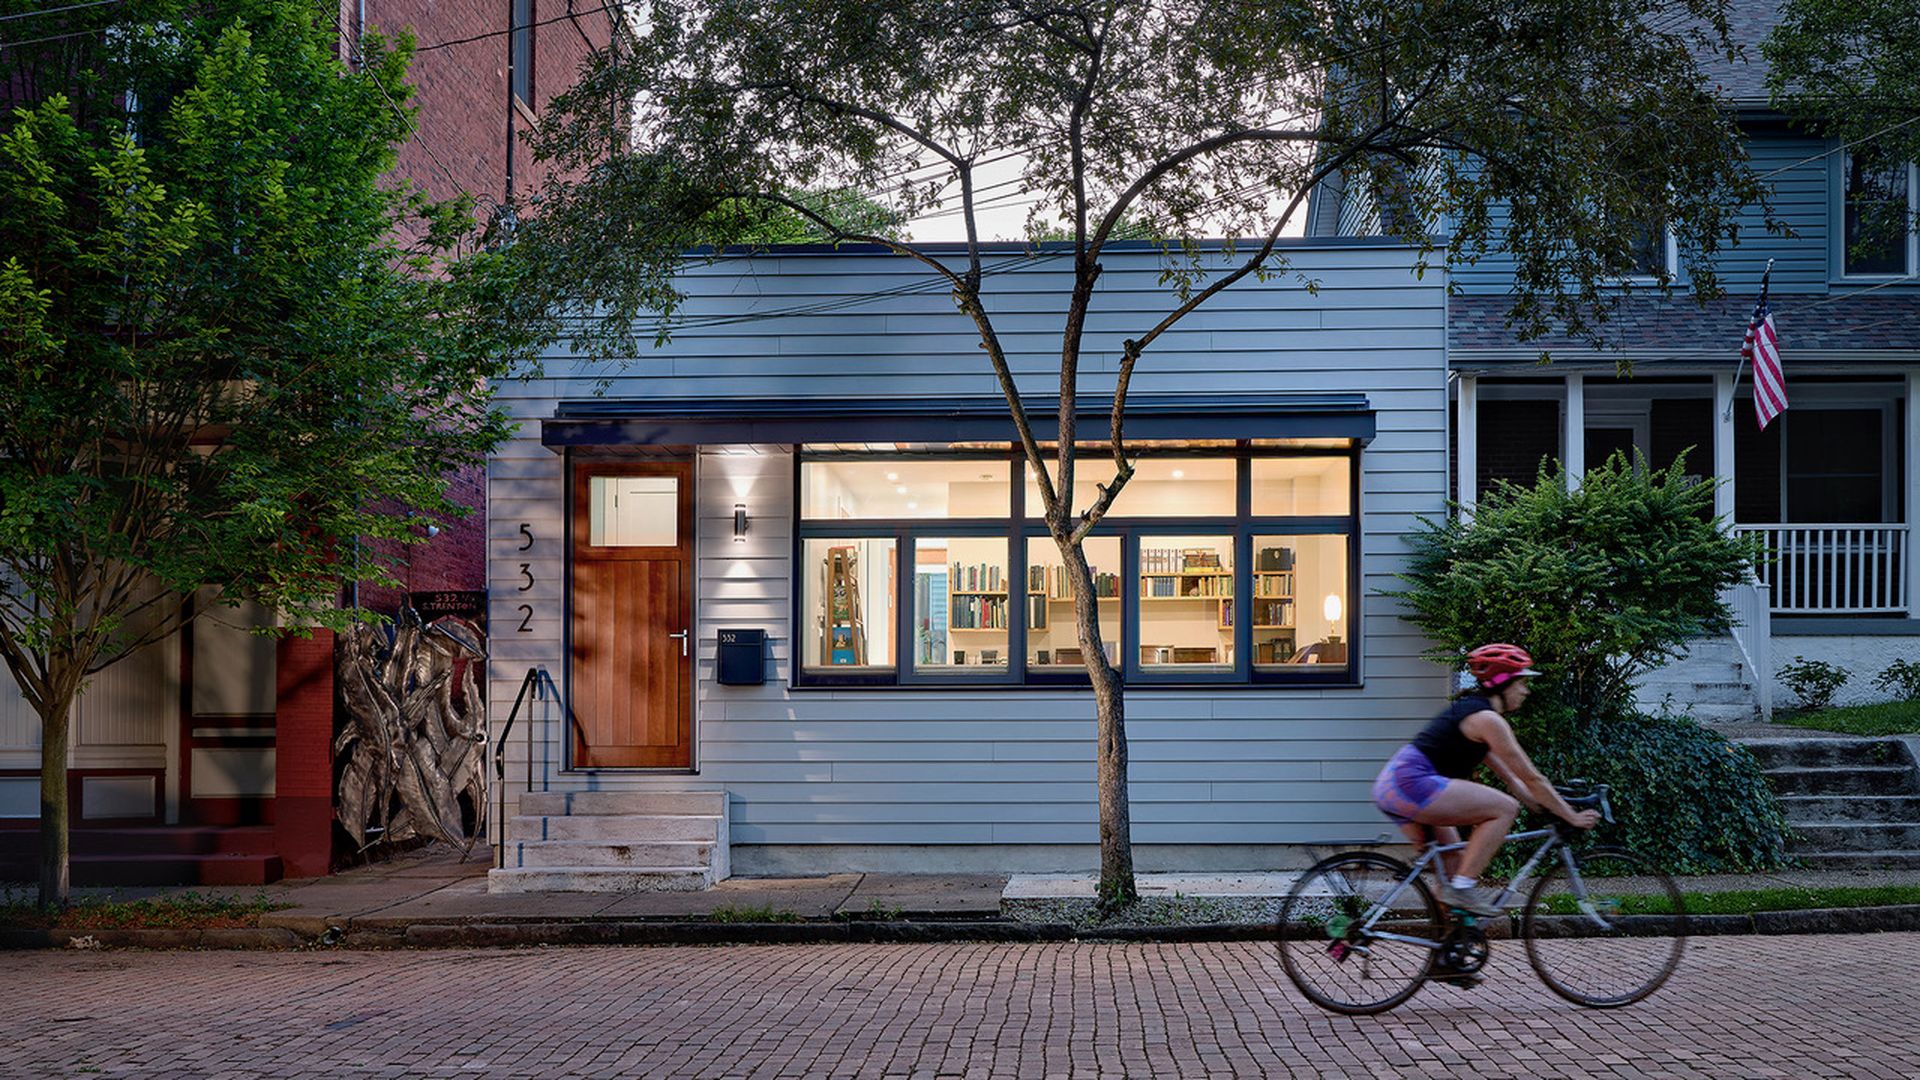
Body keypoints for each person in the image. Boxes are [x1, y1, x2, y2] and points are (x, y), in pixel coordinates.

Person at [1373, 643, 1601, 918]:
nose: (1526, 691)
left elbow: (1514, 779)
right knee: (1504, 809)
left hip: (1394, 784)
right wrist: (1571, 817)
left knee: (1454, 864)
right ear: (1503, 682)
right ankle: (1463, 887)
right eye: (1522, 683)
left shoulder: (1473, 713)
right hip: (1412, 783)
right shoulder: (1488, 720)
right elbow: (1533, 778)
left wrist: (1538, 804)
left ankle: (1448, 949)